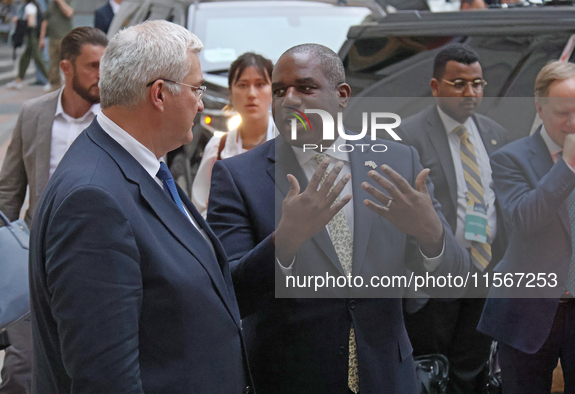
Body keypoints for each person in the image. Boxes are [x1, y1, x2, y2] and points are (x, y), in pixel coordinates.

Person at [206, 43, 470, 394]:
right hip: (291, 378)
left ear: (342, 95)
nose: (290, 100)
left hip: (386, 375)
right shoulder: (238, 177)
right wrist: (284, 242)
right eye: (281, 90)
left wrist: (432, 235)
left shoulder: (398, 161)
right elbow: (230, 293)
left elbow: (455, 281)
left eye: (305, 87)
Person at [28, 20, 251, 393]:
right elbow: (106, 378)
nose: (200, 103)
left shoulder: (141, 166)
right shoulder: (93, 200)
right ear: (159, 94)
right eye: (196, 88)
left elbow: (201, 290)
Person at [0, 26, 108, 394]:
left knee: (86, 365)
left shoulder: (115, 120)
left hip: (98, 261)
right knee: (22, 369)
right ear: (66, 68)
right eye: (92, 66)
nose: (101, 76)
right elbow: (8, 193)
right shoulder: (33, 115)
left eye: (107, 66)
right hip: (35, 260)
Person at [397, 43, 509, 394]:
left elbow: (500, 203)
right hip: (435, 277)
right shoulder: (408, 136)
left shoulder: (494, 134)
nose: (470, 92)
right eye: (458, 83)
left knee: (472, 369)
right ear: (435, 87)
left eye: (477, 83)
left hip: (484, 274)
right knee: (431, 369)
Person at [478, 61, 575, 394]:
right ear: (539, 108)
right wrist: (568, 167)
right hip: (527, 310)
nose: (574, 122)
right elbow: (524, 219)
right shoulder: (511, 158)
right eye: (564, 112)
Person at [192, 52, 274, 217]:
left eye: (260, 84)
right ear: (230, 92)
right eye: (243, 85)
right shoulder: (217, 148)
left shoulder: (288, 143)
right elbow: (200, 210)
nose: (251, 94)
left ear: (274, 90)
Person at [6, 0, 50, 91]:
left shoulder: (30, 7)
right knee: (25, 58)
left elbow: (31, 23)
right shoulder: (35, 5)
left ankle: (50, 80)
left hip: (32, 36)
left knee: (38, 58)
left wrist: (18, 21)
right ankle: (19, 79)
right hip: (33, 36)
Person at [39, 0, 74, 91]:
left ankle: (70, 86)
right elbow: (45, 21)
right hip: (52, 38)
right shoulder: (51, 5)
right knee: (53, 62)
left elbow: (69, 13)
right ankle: (55, 85)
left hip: (64, 38)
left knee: (67, 62)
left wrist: (60, 2)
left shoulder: (68, 2)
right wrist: (42, 38)